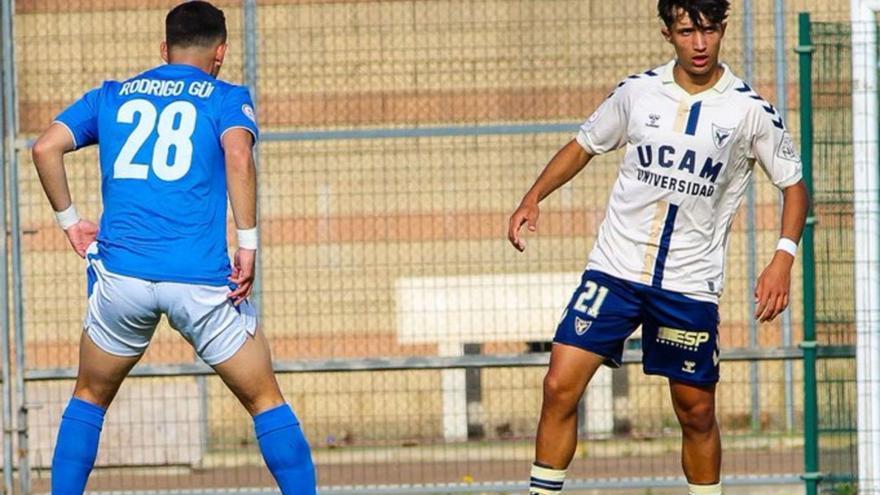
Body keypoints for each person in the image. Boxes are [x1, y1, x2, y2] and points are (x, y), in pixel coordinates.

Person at [507, 1, 809, 494]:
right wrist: (533, 197)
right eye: (687, 30)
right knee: (559, 384)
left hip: (688, 283)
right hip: (615, 269)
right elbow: (585, 144)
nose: (699, 43)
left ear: (722, 31)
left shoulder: (749, 110)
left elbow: (794, 186)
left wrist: (782, 257)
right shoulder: (637, 93)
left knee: (696, 412)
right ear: (668, 33)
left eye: (709, 31)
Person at [30, 2, 316, 494]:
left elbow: (44, 147)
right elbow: (238, 154)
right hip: (201, 281)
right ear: (220, 52)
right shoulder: (225, 96)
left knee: (90, 397)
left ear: (164, 49)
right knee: (266, 400)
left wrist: (70, 222)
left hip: (122, 279)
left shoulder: (112, 95)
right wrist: (247, 244)